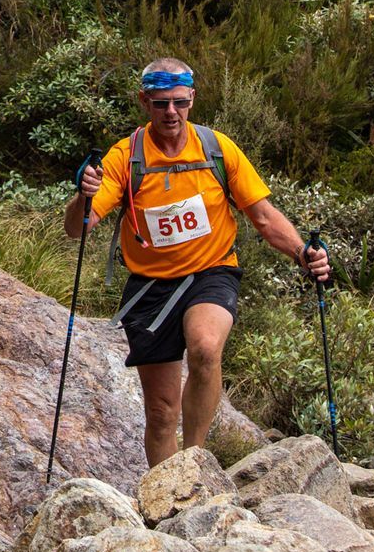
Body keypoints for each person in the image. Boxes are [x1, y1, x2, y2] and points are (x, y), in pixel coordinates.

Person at [64, 57, 329, 465]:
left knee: (205, 348)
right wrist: (84, 195)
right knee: (160, 412)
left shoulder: (217, 148)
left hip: (212, 271)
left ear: (192, 99)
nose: (171, 112)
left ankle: (195, 464)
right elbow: (78, 228)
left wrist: (302, 254)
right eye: (160, 103)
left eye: (179, 102)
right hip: (150, 287)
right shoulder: (125, 156)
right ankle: (166, 500)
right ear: (144, 102)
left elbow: (263, 215)